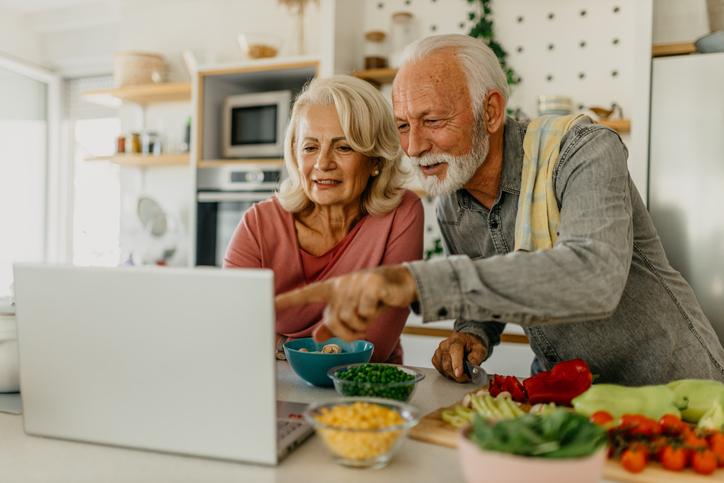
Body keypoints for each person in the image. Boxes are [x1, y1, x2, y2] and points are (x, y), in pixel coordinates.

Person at [276, 34, 724, 385]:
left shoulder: (584, 151)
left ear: (490, 111)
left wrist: (415, 281)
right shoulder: (453, 194)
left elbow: (594, 279)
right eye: (403, 127)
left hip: (674, 391)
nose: (414, 147)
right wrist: (472, 333)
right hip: (567, 400)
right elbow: (486, 288)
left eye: (433, 121)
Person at [224, 75, 423, 364]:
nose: (322, 163)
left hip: (362, 396)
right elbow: (231, 331)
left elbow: (369, 348)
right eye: (310, 147)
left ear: (375, 161)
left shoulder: (402, 214)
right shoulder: (258, 224)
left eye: (343, 147)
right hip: (269, 389)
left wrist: (279, 345)